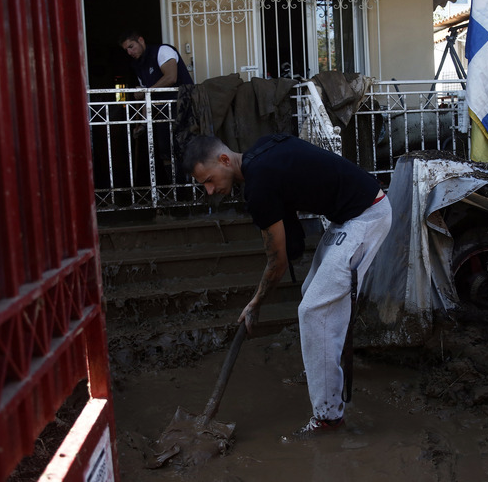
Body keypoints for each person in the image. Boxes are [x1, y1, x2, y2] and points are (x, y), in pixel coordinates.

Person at [182, 133, 392, 437]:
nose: (210, 190)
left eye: (209, 179)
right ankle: (323, 374)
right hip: (348, 215)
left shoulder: (259, 185)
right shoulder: (260, 152)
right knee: (312, 294)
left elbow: (277, 263)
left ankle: (328, 418)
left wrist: (255, 304)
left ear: (225, 160)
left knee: (313, 311)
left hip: (366, 214)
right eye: (204, 185)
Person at [118, 31, 195, 185]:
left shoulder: (162, 51)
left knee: (186, 149)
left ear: (141, 39)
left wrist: (146, 91)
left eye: (131, 46)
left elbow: (170, 77)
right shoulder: (138, 65)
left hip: (182, 108)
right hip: (161, 113)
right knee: (165, 152)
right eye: (126, 50)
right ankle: (176, 191)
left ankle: (192, 192)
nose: (130, 52)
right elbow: (146, 95)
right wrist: (141, 123)